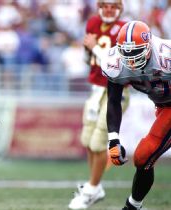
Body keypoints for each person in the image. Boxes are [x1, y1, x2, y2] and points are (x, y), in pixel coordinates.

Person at [102, 20, 171, 210]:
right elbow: (114, 100)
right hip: (163, 107)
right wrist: (113, 139)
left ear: (149, 46)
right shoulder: (115, 63)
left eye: (136, 52)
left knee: (143, 154)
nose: (131, 59)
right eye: (127, 52)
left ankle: (132, 207)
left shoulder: (166, 55)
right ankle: (134, 205)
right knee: (142, 158)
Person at [68, 0, 130, 209]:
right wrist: (89, 50)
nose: (109, 9)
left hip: (116, 91)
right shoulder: (93, 23)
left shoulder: (125, 29)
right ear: (99, 7)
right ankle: (95, 186)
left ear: (119, 8)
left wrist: (94, 47)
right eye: (105, 5)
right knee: (87, 140)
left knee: (98, 142)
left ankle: (92, 189)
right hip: (96, 89)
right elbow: (90, 59)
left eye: (113, 6)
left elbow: (118, 63)